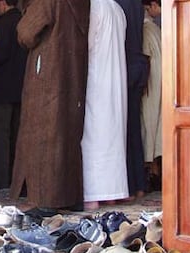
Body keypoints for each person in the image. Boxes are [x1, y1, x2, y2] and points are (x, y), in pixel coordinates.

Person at [10, 0, 90, 211]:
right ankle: (69, 196)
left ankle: (43, 198)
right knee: (67, 134)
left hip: (47, 74)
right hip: (72, 74)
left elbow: (25, 34)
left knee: (43, 134)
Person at [81, 0, 129, 211]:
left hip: (97, 75)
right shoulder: (117, 9)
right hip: (116, 77)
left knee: (94, 134)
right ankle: (114, 191)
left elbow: (87, 44)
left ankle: (94, 193)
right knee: (114, 134)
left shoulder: (94, 6)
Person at [0, 0, 27, 189]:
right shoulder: (24, 22)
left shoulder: (2, 25)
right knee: (17, 137)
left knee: (0, 137)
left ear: (2, 3)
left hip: (1, 90)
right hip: (20, 89)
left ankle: (1, 182)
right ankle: (17, 181)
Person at [115, 0, 150, 201]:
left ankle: (127, 185)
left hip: (124, 64)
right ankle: (140, 185)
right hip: (138, 64)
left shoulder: (115, 3)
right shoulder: (136, 3)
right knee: (134, 128)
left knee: (123, 128)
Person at [141, 0, 162, 191]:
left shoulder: (145, 30)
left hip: (151, 84)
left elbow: (144, 58)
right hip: (162, 82)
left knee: (148, 126)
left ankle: (150, 170)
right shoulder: (156, 29)